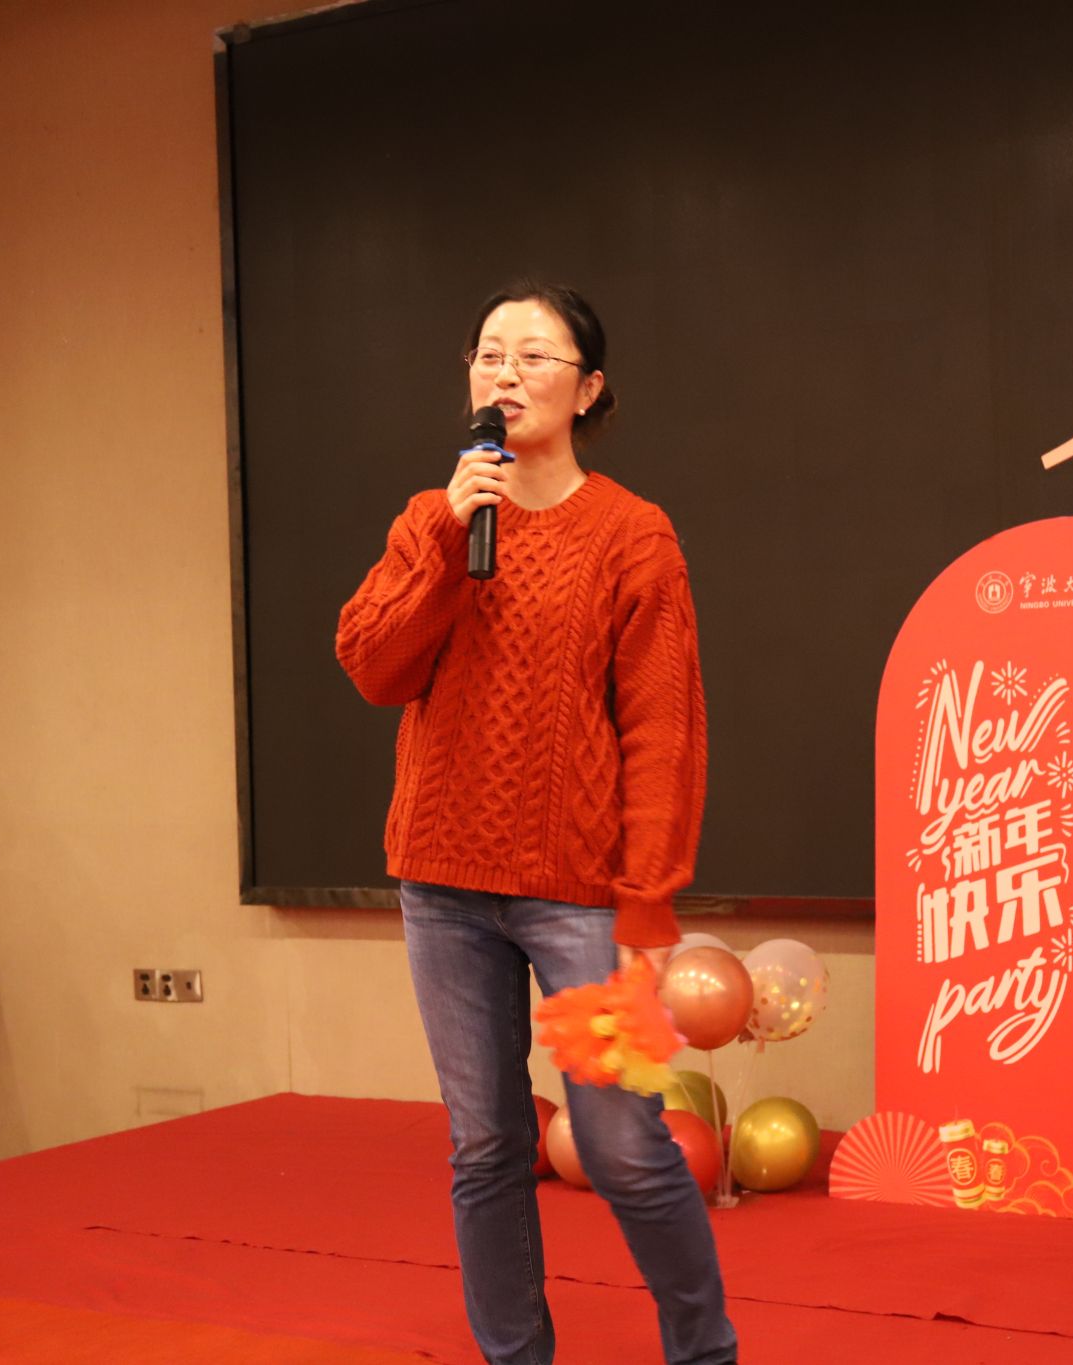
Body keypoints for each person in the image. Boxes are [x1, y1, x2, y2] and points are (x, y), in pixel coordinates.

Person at [335, 283, 735, 1365]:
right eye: (487, 354)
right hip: (441, 887)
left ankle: (704, 1349)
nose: (503, 374)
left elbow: (664, 733)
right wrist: (444, 534)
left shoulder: (635, 535)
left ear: (588, 388)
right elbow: (372, 666)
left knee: (624, 1142)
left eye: (532, 356)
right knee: (485, 1145)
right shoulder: (434, 517)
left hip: (583, 898)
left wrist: (647, 908)